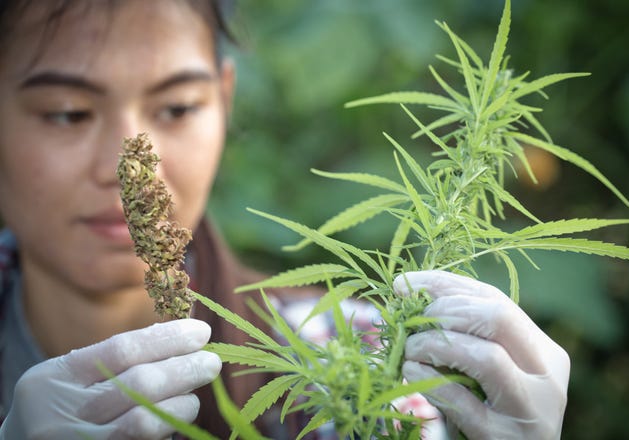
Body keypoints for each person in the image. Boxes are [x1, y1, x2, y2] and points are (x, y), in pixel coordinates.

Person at [0, 1, 569, 439]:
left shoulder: (348, 354)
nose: (127, 166)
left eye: (176, 108)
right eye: (67, 113)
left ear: (224, 101)